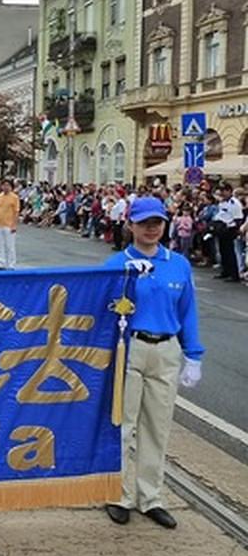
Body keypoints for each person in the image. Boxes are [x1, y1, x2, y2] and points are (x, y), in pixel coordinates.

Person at [104, 197, 204, 530]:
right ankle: (118, 494)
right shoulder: (116, 264)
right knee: (124, 425)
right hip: (129, 349)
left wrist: (194, 355)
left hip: (165, 350)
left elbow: (187, 310)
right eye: (145, 222)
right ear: (130, 224)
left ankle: (150, 497)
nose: (152, 228)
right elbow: (98, 310)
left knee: (156, 426)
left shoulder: (178, 264)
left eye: (158, 222)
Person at [213, 183, 243, 282]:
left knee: (230, 252)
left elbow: (238, 219)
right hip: (222, 228)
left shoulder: (235, 203)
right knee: (223, 251)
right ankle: (225, 271)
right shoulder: (223, 202)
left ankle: (234, 274)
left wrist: (236, 231)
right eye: (221, 191)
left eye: (224, 191)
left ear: (229, 191)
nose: (222, 193)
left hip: (230, 229)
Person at [0, 179, 19, 270]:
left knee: (10, 246)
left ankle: (11, 264)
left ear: (11, 187)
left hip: (9, 224)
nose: (6, 187)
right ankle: (1, 263)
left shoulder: (14, 197)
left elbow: (16, 212)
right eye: (4, 185)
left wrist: (14, 225)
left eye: (8, 185)